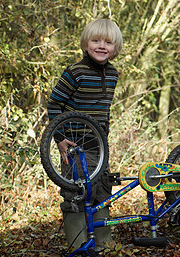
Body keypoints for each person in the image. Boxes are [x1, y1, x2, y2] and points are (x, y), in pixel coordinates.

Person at [47, 18, 123, 250]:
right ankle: (79, 244)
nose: (102, 46)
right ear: (86, 43)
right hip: (74, 146)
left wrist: (105, 138)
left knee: (102, 191)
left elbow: (105, 110)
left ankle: (102, 242)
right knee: (76, 193)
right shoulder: (75, 72)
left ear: (115, 47)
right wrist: (59, 139)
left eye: (108, 42)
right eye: (96, 40)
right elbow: (54, 105)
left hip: (99, 147)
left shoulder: (112, 74)